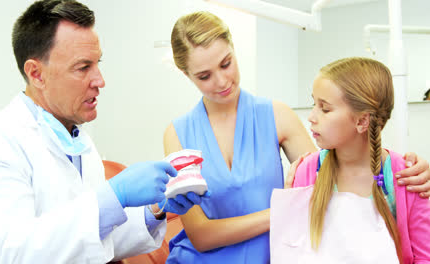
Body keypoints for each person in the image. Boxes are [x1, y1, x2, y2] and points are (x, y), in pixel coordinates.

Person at [163, 11, 430, 263]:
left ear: (234, 49)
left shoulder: (277, 115)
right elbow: (201, 236)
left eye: (226, 63)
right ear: (186, 74)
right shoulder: (177, 134)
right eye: (204, 76)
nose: (221, 81)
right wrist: (287, 210)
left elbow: (337, 165)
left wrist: (405, 166)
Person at [0, 1, 206, 263]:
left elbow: (94, 239)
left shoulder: (78, 142)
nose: (100, 80)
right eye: (83, 67)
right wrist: (113, 196)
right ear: (36, 74)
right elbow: (8, 255)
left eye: (97, 63)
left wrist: (154, 211)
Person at [270, 57, 430, 263]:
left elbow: (424, 257)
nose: (312, 116)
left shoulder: (407, 177)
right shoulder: (306, 171)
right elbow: (292, 252)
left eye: (325, 109)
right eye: (313, 104)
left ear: (362, 121)